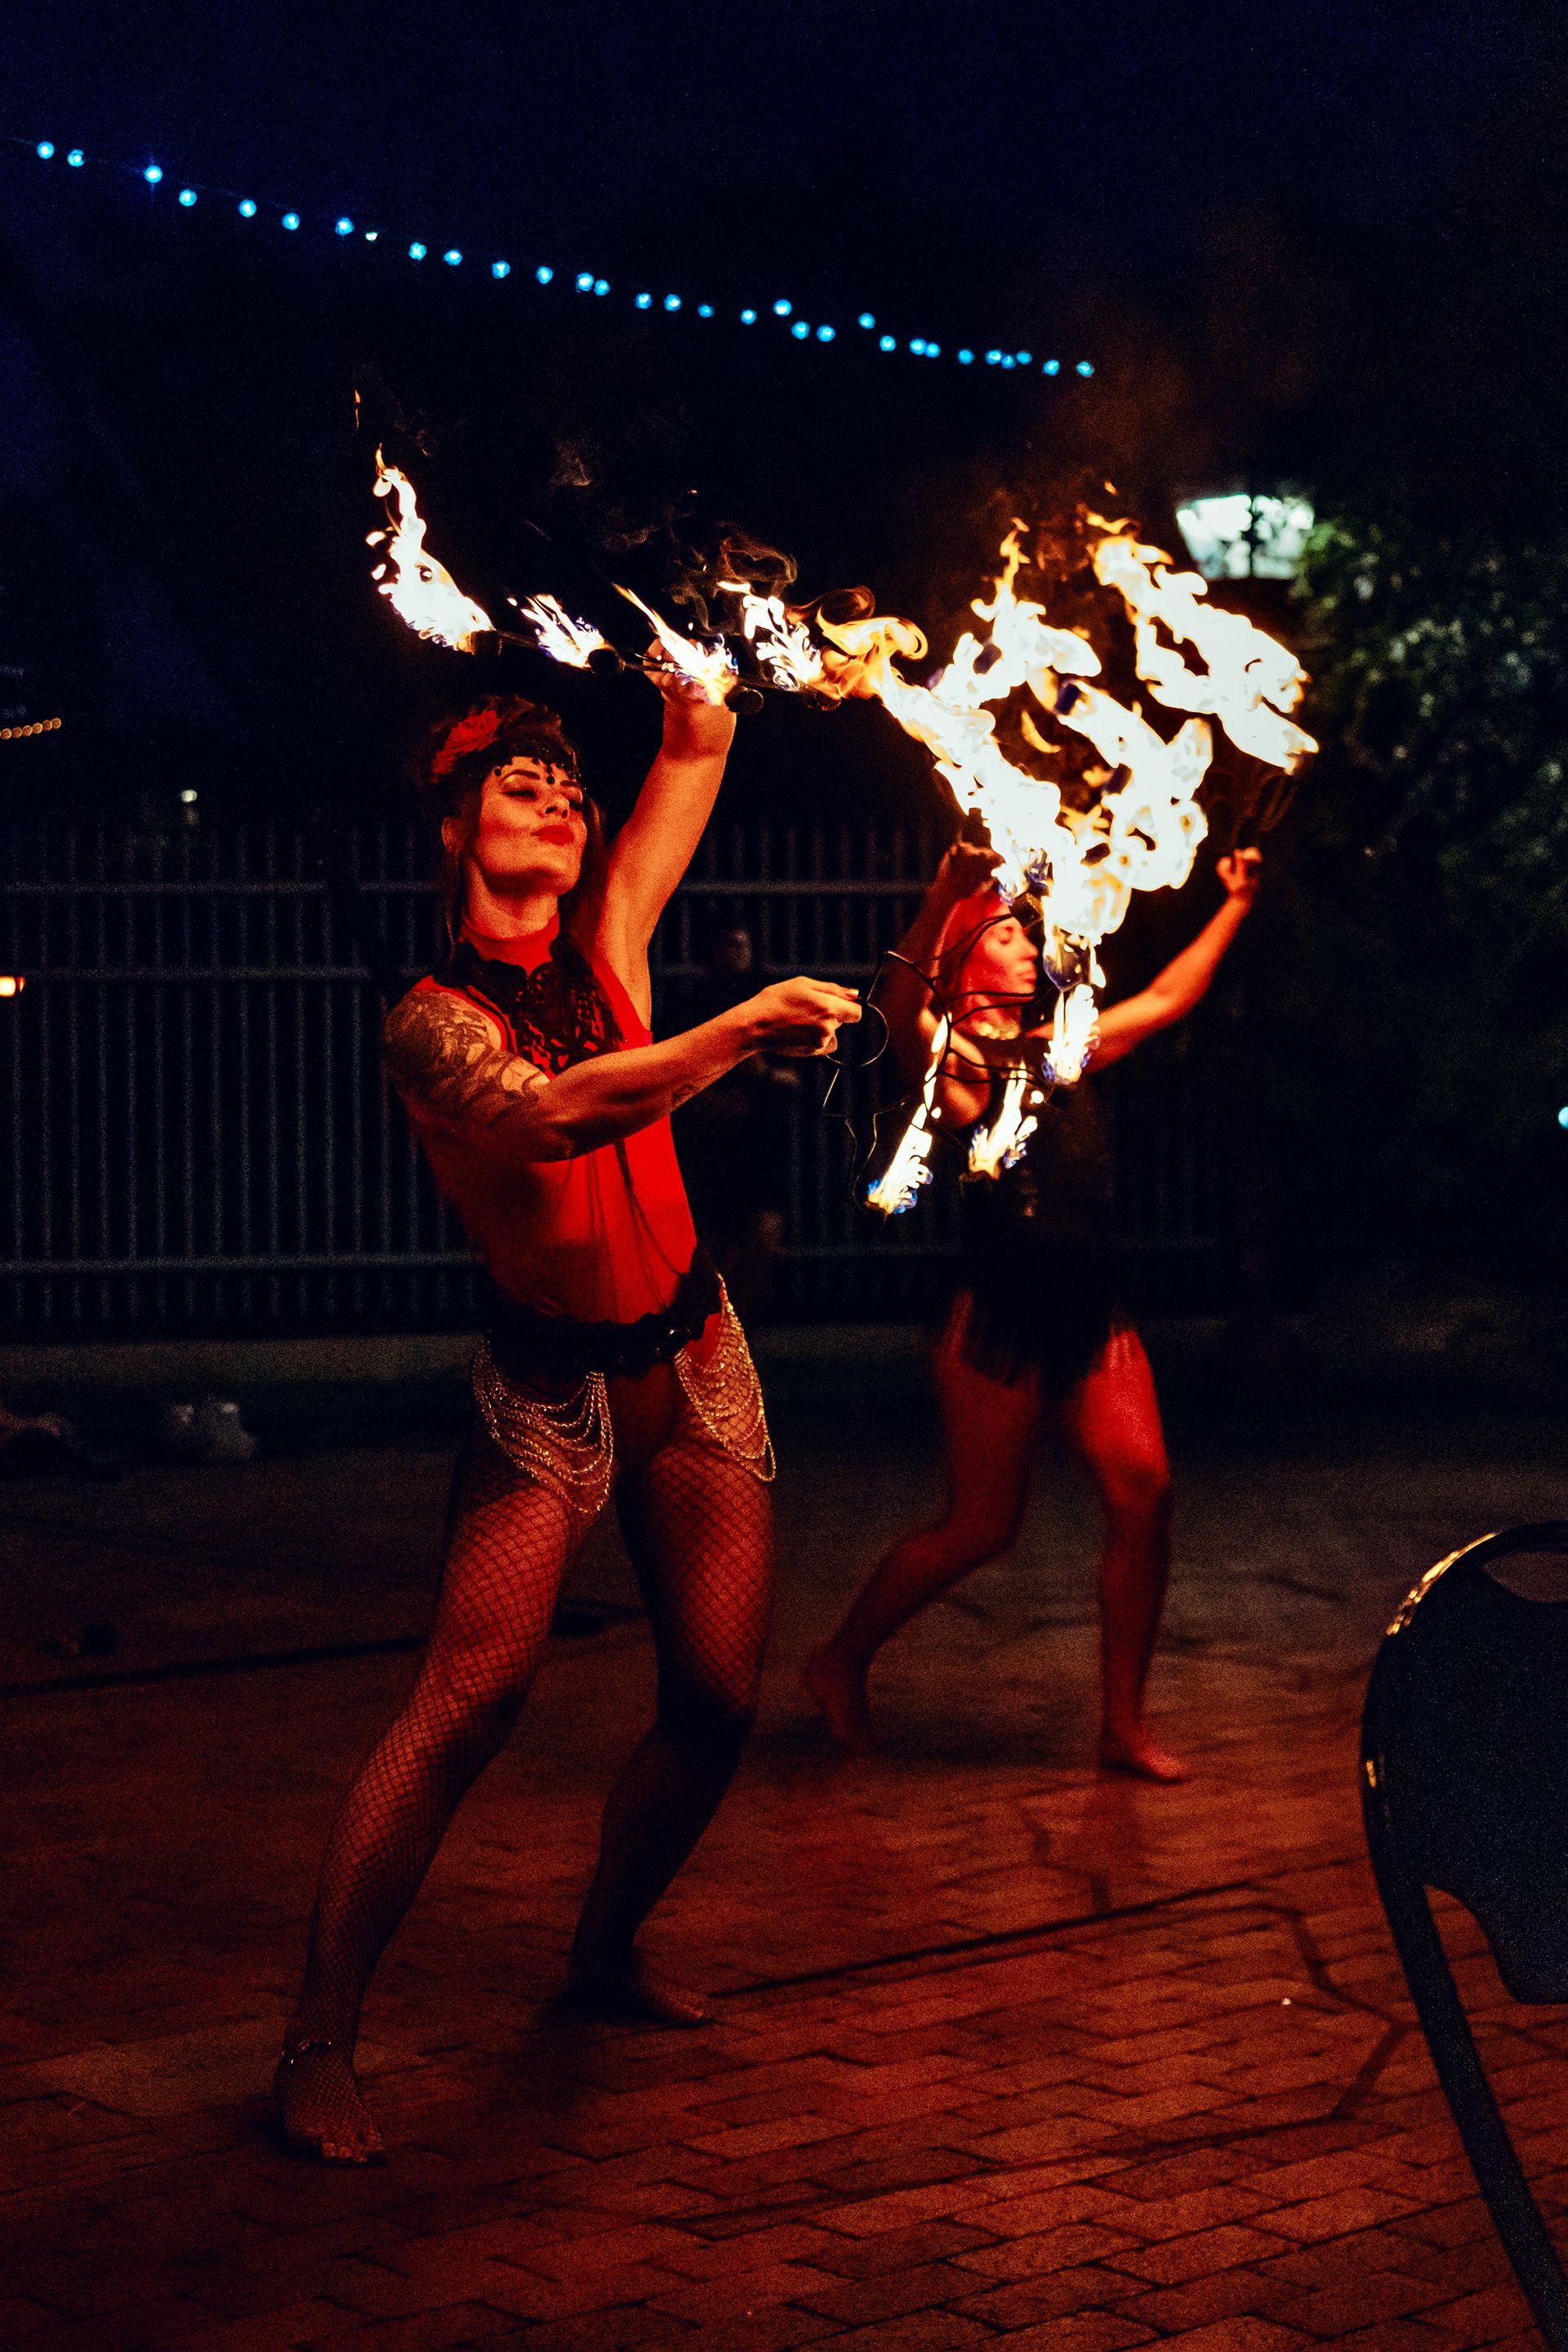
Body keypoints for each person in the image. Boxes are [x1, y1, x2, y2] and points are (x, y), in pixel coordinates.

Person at [276, 676, 858, 2164]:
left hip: (694, 1355)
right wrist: (738, 1029)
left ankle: (601, 1952)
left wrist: (701, 673)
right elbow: (555, 1116)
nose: (557, 800)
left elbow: (699, 744)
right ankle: (318, 2042)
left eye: (571, 790)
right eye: (520, 785)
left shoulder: (610, 944)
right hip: (551, 1390)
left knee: (718, 1698)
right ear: (453, 827)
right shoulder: (429, 1024)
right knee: (468, 1703)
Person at [804, 836, 1262, 1781]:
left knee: (1145, 1490)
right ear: (968, 959)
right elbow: (896, 1004)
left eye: (1024, 933)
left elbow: (1167, 999)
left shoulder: (1062, 1049)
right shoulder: (956, 1059)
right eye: (1006, 935)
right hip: (998, 1318)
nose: (1027, 944)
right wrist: (944, 894)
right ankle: (838, 1659)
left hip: (1091, 1309)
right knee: (981, 1526)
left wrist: (1235, 906)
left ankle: (1122, 1726)